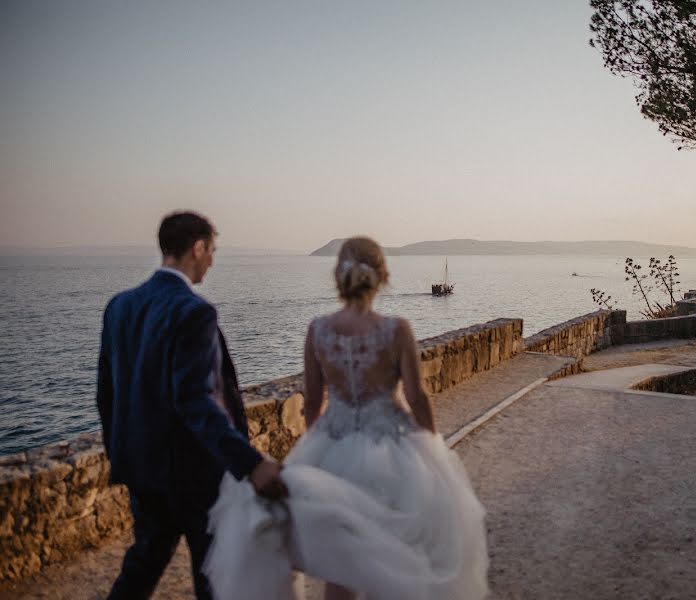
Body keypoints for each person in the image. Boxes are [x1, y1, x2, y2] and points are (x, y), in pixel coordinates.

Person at [204, 236, 489, 600]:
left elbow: (311, 404)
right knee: (394, 555)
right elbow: (417, 397)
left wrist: (318, 447)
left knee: (342, 564)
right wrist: (432, 445)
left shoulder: (318, 330)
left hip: (332, 444)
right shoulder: (396, 330)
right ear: (382, 276)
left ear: (339, 278)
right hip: (394, 450)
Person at [96, 211, 286, 600]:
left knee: (141, 568)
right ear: (197, 249)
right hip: (194, 473)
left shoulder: (120, 306)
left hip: (142, 470)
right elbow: (196, 400)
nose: (212, 261)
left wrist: (123, 458)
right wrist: (250, 464)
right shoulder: (194, 311)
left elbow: (107, 396)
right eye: (211, 251)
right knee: (211, 575)